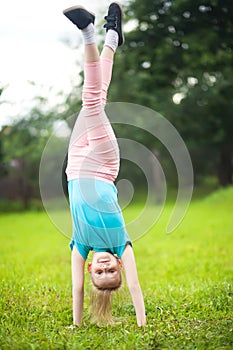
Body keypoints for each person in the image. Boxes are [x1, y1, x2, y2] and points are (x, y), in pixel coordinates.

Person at [63, 2, 146, 327]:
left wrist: (77, 323)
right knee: (92, 100)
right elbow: (136, 286)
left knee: (99, 95)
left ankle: (111, 36)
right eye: (111, 271)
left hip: (75, 163)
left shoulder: (80, 245)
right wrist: (141, 324)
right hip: (102, 164)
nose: (104, 266)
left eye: (100, 272)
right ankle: (87, 31)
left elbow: (77, 288)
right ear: (119, 264)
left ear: (90, 269)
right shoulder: (119, 243)